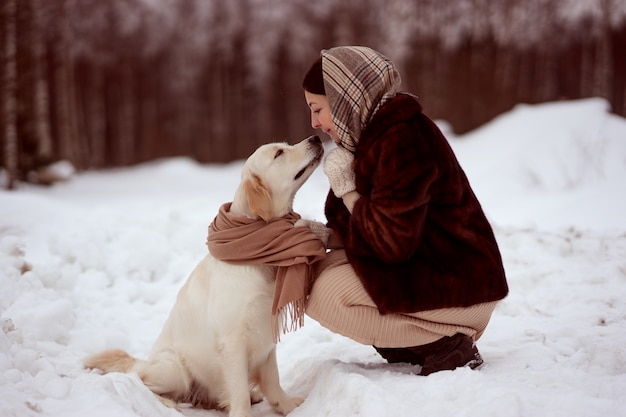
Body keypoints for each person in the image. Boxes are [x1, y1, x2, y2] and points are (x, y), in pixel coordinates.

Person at [301, 46, 508, 375]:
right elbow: (362, 229)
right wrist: (321, 235)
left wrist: (347, 188)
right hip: (432, 275)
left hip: (463, 285)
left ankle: (446, 346)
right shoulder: (367, 140)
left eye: (318, 109)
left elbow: (390, 243)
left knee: (325, 293)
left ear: (342, 99)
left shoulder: (403, 138)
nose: (314, 122)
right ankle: (414, 341)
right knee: (315, 269)